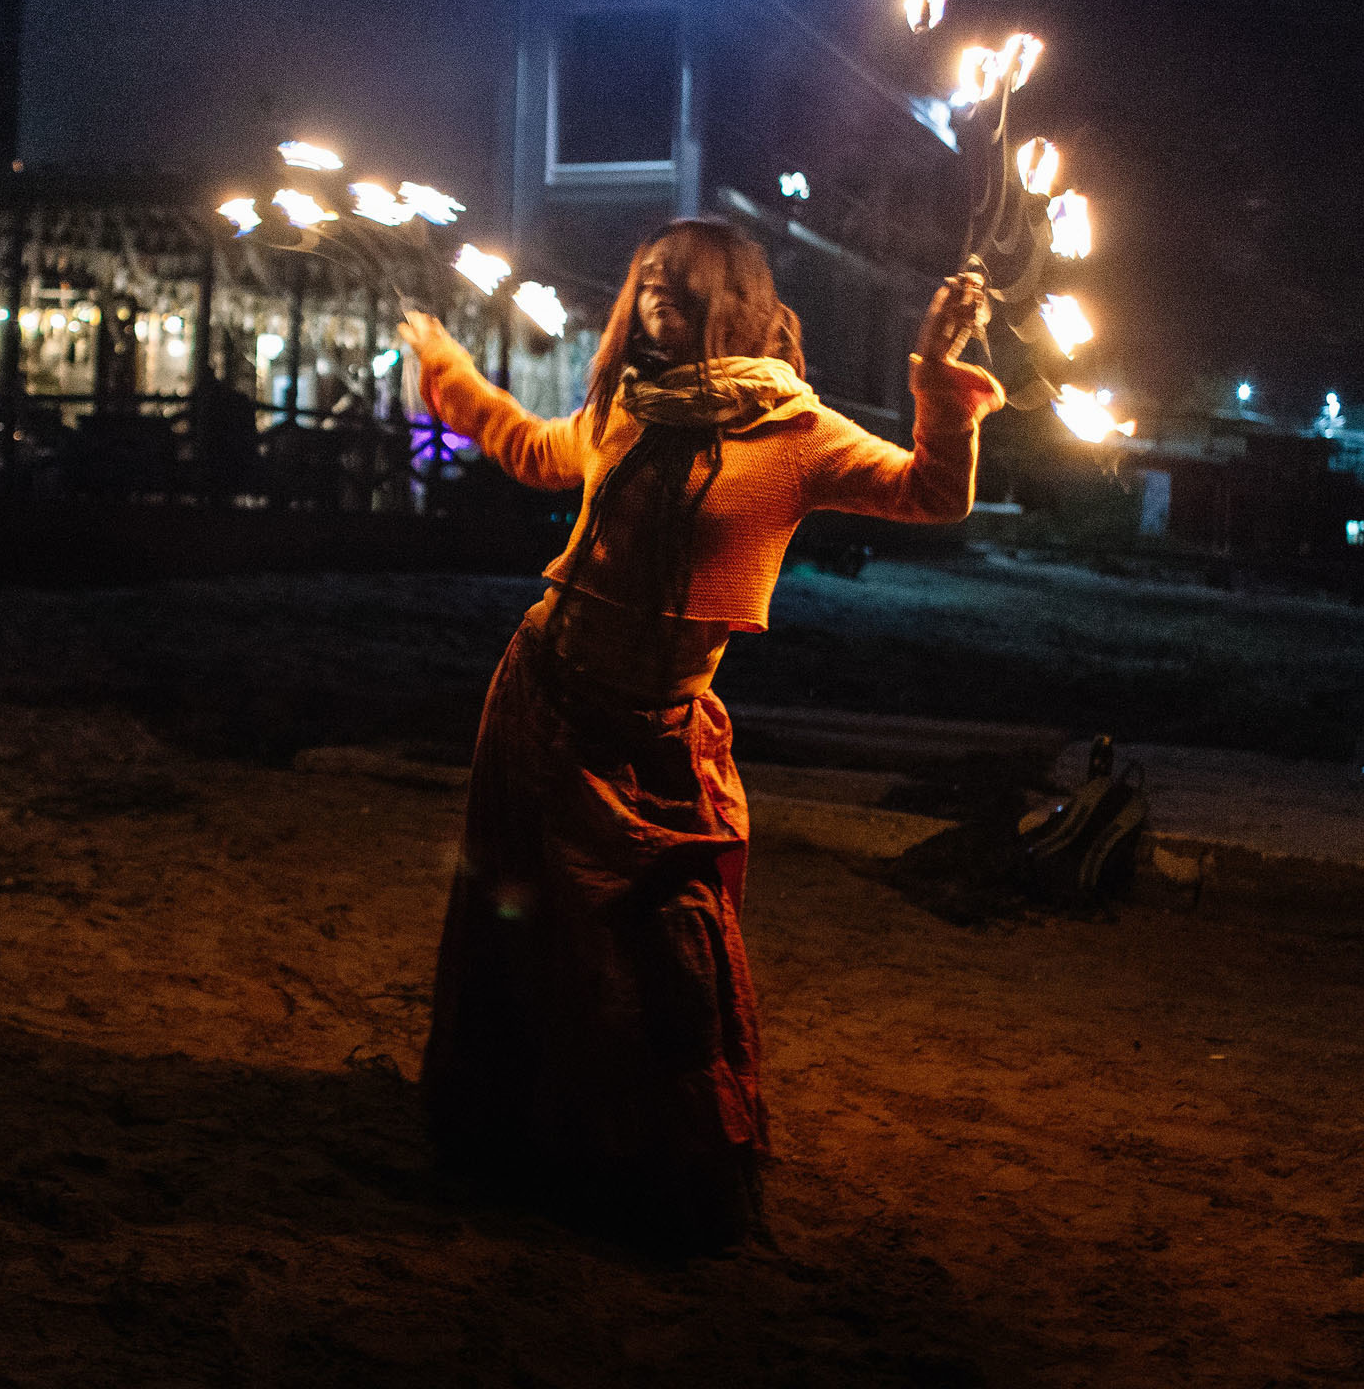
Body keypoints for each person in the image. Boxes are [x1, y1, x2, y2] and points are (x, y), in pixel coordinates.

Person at [401, 218, 1000, 1252]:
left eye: (679, 285)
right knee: (532, 935)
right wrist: (448, 372)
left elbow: (933, 490)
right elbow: (533, 450)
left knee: (667, 953)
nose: (655, 299)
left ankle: (676, 1165)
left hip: (661, 735)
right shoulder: (627, 408)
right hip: (541, 702)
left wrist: (937, 369)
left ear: (736, 301)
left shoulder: (794, 431)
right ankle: (523, 1138)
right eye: (645, 282)